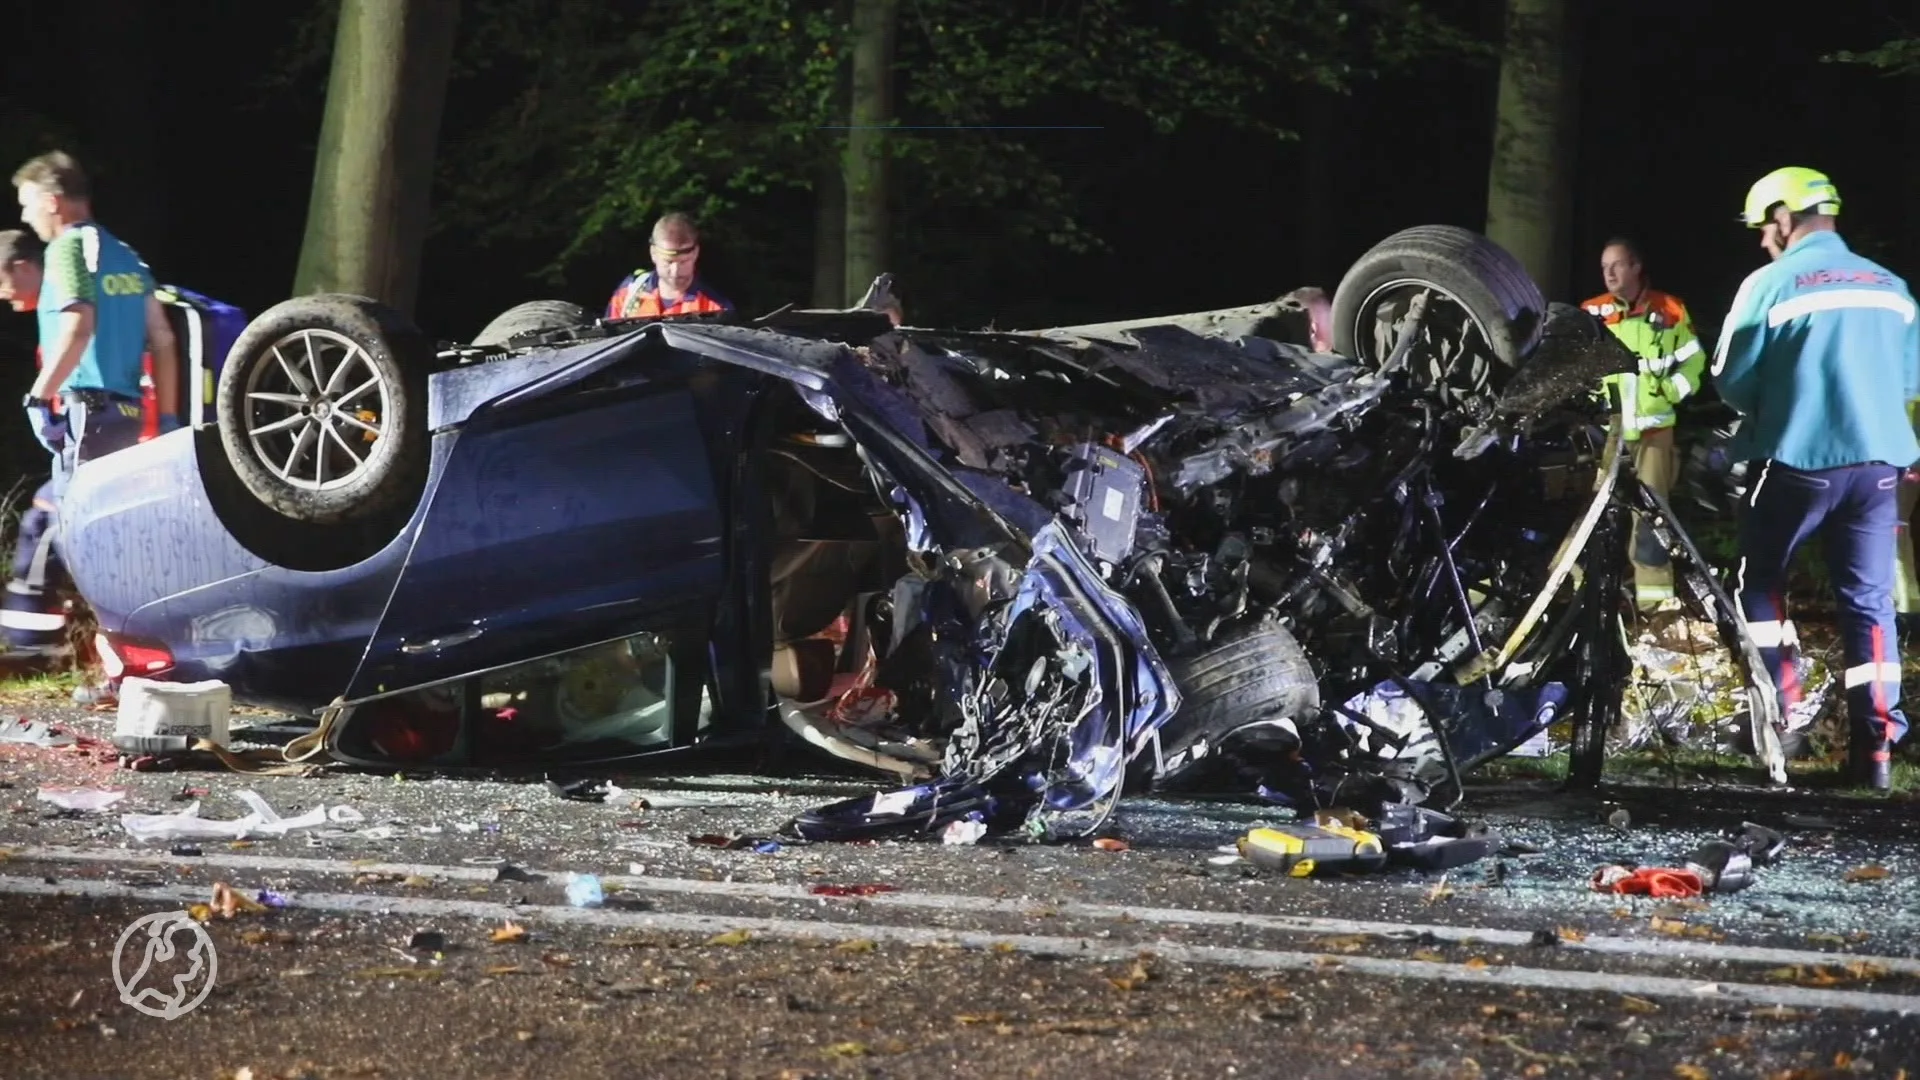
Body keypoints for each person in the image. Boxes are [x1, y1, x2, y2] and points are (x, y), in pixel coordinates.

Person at [1711, 166, 1920, 790]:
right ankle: (1877, 752)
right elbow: (1909, 381)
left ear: (1783, 216)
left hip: (1799, 460)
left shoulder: (1771, 283)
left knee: (1759, 583)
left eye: (1762, 227)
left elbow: (1730, 378)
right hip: (1881, 465)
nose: (1762, 240)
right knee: (1869, 605)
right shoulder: (1893, 288)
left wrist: (1768, 412)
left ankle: (1784, 711)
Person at [14, 151, 180, 495]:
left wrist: (38, 399)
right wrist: (166, 419)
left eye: (28, 206)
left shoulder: (65, 249)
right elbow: (163, 339)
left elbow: (78, 328)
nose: (25, 217)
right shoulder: (126, 254)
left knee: (68, 528)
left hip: (87, 417)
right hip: (128, 417)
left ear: (51, 202)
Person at [1582, 238, 1706, 610]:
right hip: (1605, 436)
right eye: (1604, 266)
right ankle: (1586, 598)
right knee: (1593, 515)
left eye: (1616, 265)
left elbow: (1694, 362)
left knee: (1652, 519)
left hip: (1654, 435)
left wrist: (1670, 390)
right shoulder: (1591, 312)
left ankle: (1655, 605)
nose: (1609, 273)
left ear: (1636, 266)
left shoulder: (1670, 310)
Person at [605, 212, 734, 319]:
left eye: (683, 262)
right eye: (668, 262)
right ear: (653, 253)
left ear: (696, 253)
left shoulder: (716, 308)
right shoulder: (628, 294)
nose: (675, 271)